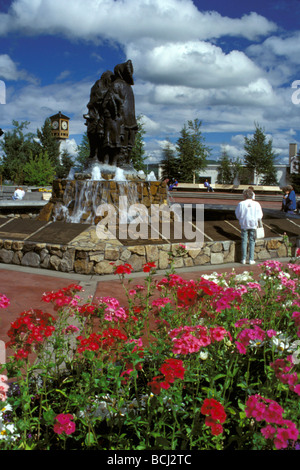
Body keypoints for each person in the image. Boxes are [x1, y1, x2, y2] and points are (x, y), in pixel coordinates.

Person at [235, 188, 263, 265]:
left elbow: (237, 214)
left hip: (244, 224)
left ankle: (243, 258)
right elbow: (260, 215)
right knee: (252, 241)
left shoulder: (241, 204)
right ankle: (251, 259)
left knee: (244, 241)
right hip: (253, 224)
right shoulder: (256, 204)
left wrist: (241, 219)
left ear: (244, 195)